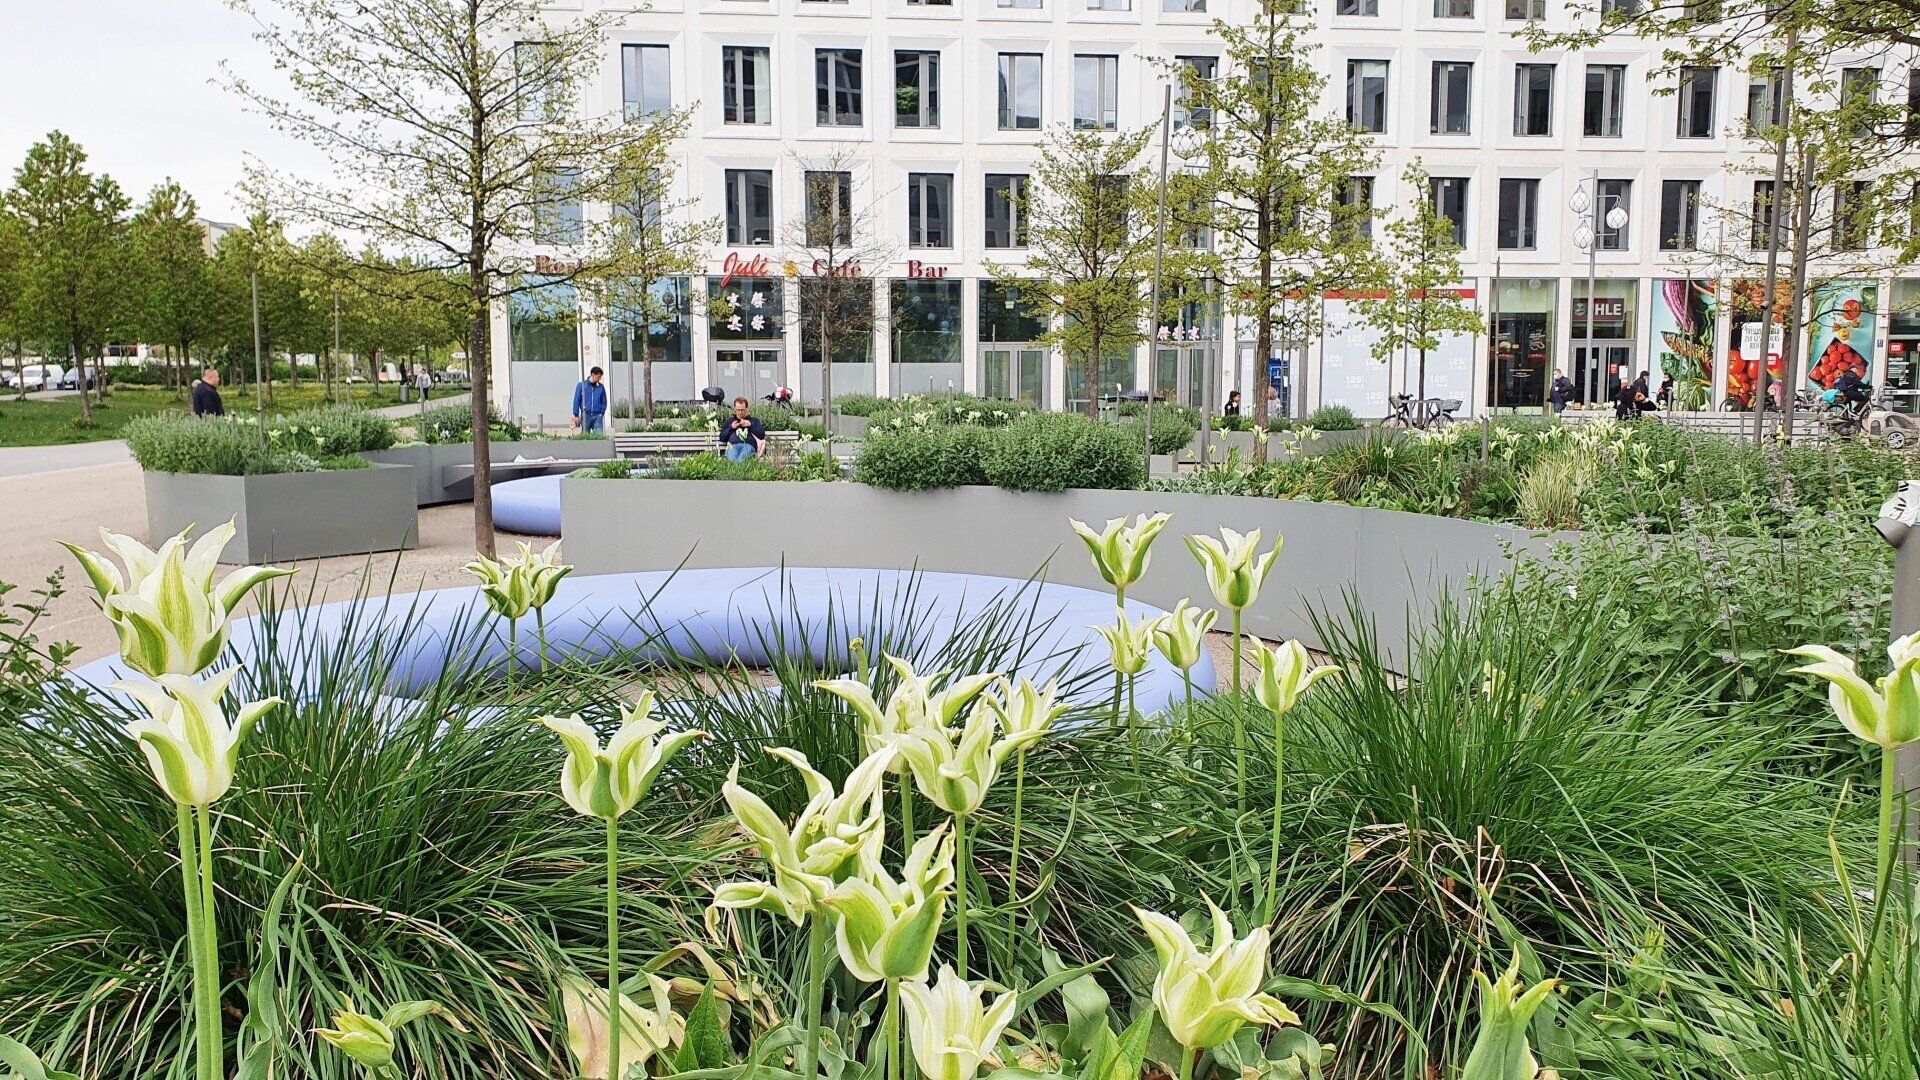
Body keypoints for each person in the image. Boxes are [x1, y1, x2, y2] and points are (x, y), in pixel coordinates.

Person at [720, 396, 767, 461]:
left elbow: (761, 435)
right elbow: (722, 438)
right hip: (733, 445)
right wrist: (731, 428)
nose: (740, 412)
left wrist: (750, 425)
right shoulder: (730, 421)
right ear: (734, 408)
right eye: (738, 410)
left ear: (747, 408)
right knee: (731, 461)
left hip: (748, 445)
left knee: (740, 461)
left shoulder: (754, 420)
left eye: (742, 410)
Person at [571, 366, 608, 434]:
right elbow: (576, 401)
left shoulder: (601, 387)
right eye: (598, 376)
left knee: (599, 437)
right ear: (593, 375)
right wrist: (576, 415)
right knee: (585, 437)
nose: (600, 378)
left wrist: (601, 413)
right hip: (585, 415)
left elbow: (604, 401)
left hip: (597, 416)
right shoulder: (581, 386)